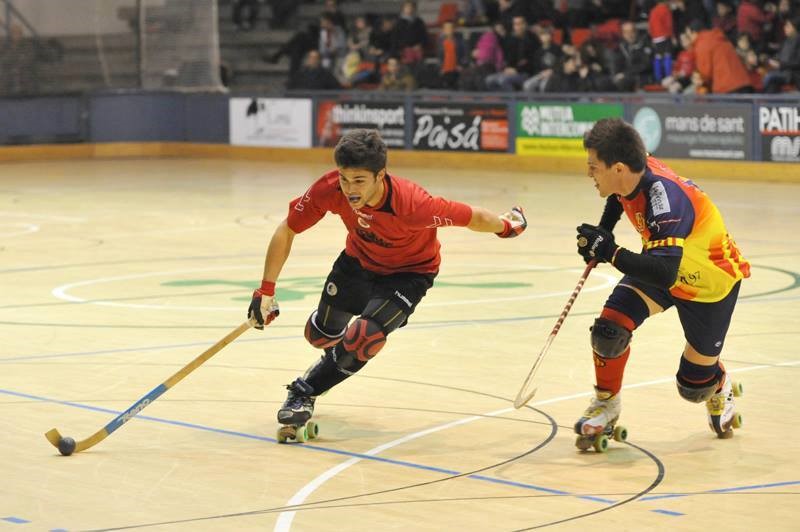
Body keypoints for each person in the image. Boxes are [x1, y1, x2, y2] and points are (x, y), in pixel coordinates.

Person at [247, 129, 528, 432]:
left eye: (359, 181)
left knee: (364, 338)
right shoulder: (329, 189)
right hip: (358, 263)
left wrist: (506, 226)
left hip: (409, 274)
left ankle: (304, 392)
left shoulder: (413, 205)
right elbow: (288, 229)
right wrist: (266, 291)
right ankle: (336, 361)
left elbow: (473, 217)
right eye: (344, 179)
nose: (350, 190)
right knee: (319, 335)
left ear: (380, 175)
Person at [573, 118, 750, 449]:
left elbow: (665, 274)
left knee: (693, 388)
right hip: (663, 262)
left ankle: (718, 382)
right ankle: (606, 405)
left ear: (618, 168)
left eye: (593, 167)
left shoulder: (665, 199)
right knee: (609, 331)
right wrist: (604, 232)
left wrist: (609, 251)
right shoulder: (633, 172)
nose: (589, 174)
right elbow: (619, 198)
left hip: (708, 284)